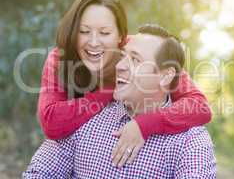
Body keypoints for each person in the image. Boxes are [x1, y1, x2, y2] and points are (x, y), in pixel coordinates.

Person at [38, 0, 212, 166]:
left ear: (121, 37)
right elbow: (51, 122)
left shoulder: (139, 52)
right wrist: (110, 91)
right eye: (84, 31)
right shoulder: (60, 59)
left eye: (105, 33)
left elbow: (200, 106)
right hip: (78, 148)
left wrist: (144, 124)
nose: (93, 42)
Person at [23, 24, 216, 178]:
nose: (120, 65)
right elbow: (39, 173)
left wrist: (144, 124)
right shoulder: (87, 117)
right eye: (122, 56)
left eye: (135, 60)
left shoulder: (191, 141)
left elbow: (200, 105)